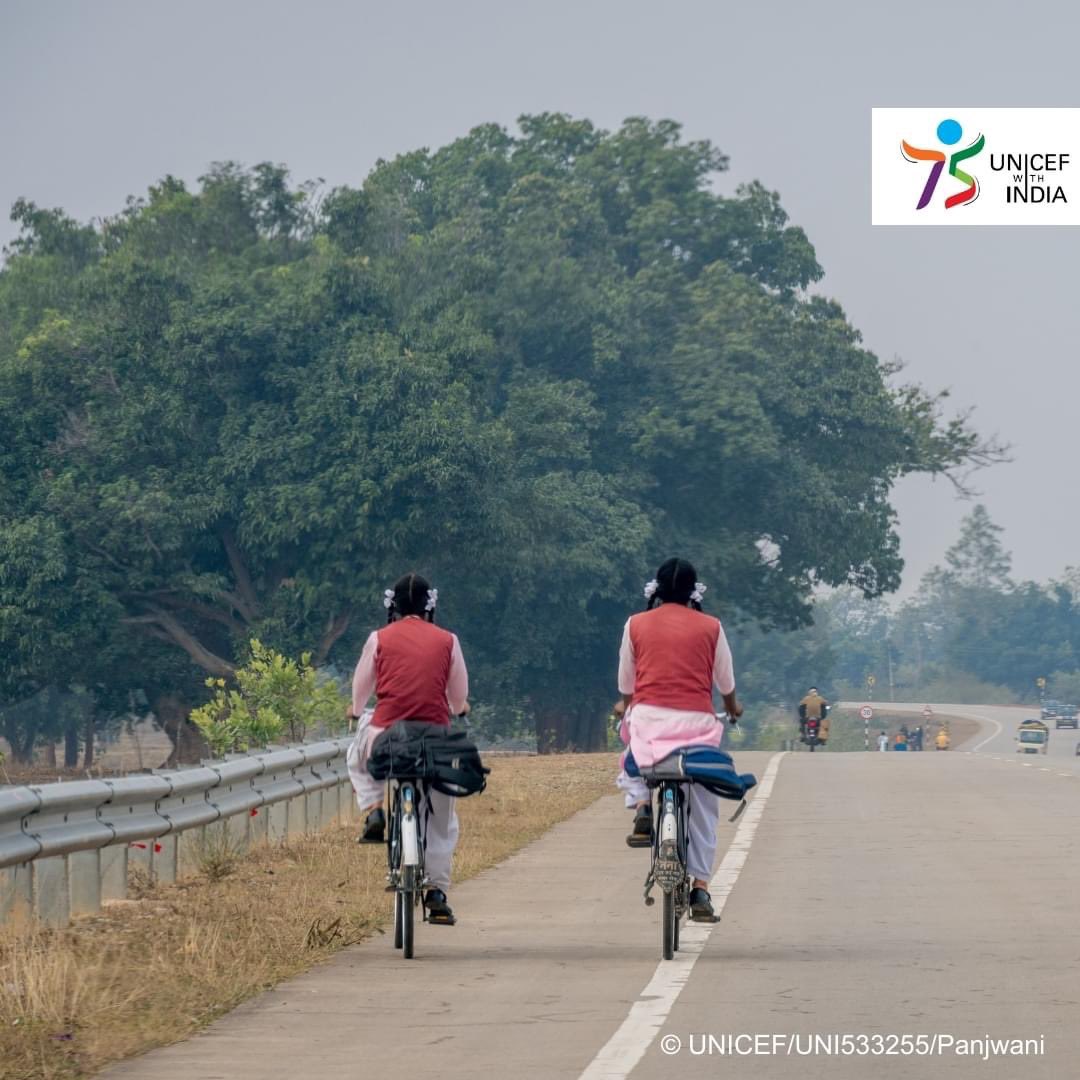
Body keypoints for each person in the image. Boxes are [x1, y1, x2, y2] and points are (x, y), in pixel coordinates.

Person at [615, 557, 742, 923]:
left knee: (633, 746)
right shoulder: (711, 627)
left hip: (649, 722)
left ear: (656, 588)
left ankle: (641, 808)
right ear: (694, 590)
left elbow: (626, 684)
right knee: (703, 803)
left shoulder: (635, 624)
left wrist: (631, 710)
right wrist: (733, 708)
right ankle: (701, 885)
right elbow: (726, 684)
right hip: (697, 727)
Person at [346, 572, 469, 926]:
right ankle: (436, 891)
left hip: (387, 736)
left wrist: (355, 711)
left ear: (393, 606)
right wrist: (460, 708)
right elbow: (458, 695)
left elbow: (361, 687)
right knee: (442, 817)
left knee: (356, 758)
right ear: (429, 605)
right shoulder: (448, 640)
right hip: (435, 741)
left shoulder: (379, 638)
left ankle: (373, 809)